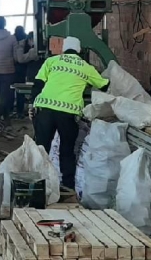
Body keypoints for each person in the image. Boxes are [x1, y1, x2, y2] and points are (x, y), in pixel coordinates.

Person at [30, 37, 109, 188]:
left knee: (41, 147)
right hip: (68, 113)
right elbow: (104, 85)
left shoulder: (51, 61)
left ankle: (36, 184)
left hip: (44, 108)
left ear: (64, 49)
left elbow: (38, 84)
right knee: (66, 149)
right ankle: (68, 185)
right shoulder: (86, 67)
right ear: (79, 50)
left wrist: (32, 104)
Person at [12, 26, 29, 118]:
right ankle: (20, 111)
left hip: (12, 67)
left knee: (11, 90)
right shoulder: (26, 39)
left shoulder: (12, 39)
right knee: (21, 91)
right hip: (23, 68)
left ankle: (10, 110)